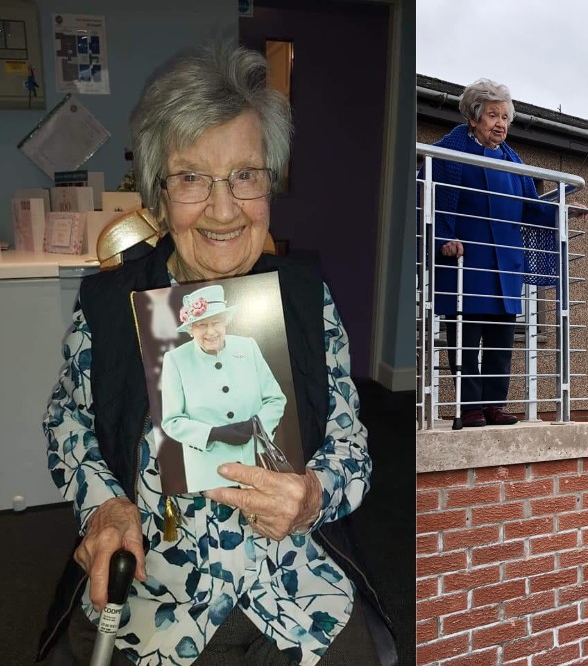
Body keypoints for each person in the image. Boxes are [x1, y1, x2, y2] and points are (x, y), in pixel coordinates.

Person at [39, 42, 392, 664]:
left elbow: (350, 442)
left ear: (269, 184)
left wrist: (315, 493)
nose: (223, 209)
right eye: (192, 178)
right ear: (159, 192)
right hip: (153, 600)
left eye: (245, 176)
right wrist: (105, 508)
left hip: (296, 596)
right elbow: (67, 423)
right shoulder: (110, 308)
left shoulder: (307, 301)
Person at [429, 78, 587, 428]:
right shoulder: (448, 154)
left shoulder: (513, 162)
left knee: (501, 342)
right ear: (473, 118)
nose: (500, 123)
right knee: (466, 342)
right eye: (492, 115)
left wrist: (563, 210)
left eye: (504, 117)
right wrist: (443, 239)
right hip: (466, 263)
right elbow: (431, 203)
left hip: (505, 266)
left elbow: (531, 208)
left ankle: (493, 406)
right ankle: (469, 408)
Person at [161, 284, 287, 493]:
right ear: (191, 329)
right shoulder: (175, 360)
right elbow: (172, 421)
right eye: (201, 325)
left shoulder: (248, 346)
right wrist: (213, 433)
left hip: (255, 462)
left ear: (226, 322)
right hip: (206, 473)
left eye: (216, 322)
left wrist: (256, 427)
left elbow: (275, 399)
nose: (210, 331)